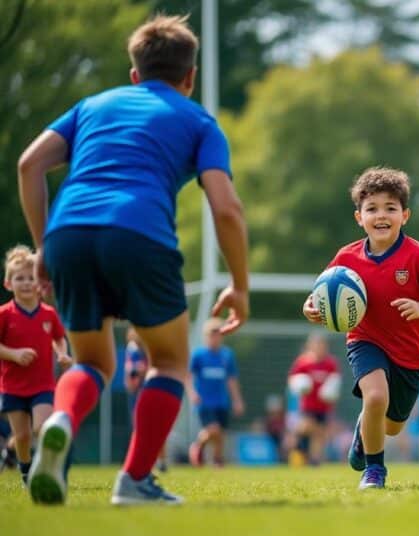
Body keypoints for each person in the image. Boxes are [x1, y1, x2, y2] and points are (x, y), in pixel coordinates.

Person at [18, 15, 249, 505]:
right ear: (189, 77)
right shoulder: (198, 121)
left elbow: (29, 164)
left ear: (135, 74)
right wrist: (240, 284)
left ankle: (60, 420)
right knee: (168, 361)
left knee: (93, 362)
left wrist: (44, 248)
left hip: (69, 233)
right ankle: (135, 480)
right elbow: (226, 208)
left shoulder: (92, 106)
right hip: (140, 233)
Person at [302, 167, 419, 489]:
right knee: (374, 397)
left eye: (390, 208)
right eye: (372, 208)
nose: (381, 215)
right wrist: (311, 308)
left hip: (411, 356)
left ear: (405, 215)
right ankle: (375, 471)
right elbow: (321, 292)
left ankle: (362, 436)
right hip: (365, 341)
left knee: (394, 425)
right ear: (359, 217)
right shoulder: (347, 257)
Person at [0, 246, 72, 485]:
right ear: (8, 284)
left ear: (40, 282)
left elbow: (59, 338)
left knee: (43, 427)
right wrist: (13, 353)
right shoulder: (4, 314)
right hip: (12, 387)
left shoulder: (49, 314)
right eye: (19, 278)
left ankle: (48, 469)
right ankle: (25, 470)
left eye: (31, 278)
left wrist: (63, 354)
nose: (26, 283)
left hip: (43, 385)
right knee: (22, 436)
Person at [187, 318, 244, 467]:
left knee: (220, 435)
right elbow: (188, 376)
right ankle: (198, 445)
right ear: (206, 336)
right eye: (212, 335)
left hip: (221, 401)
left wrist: (237, 400)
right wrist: (192, 393)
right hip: (204, 401)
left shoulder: (227, 355)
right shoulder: (198, 355)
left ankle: (217, 461)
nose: (215, 338)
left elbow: (231, 379)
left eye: (218, 335)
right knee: (213, 429)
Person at [286, 331, 341, 466]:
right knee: (309, 428)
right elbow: (292, 380)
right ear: (310, 346)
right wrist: (299, 385)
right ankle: (297, 446)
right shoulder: (303, 362)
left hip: (324, 406)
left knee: (319, 434)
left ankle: (315, 460)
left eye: (322, 345)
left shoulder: (331, 363)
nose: (319, 347)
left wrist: (331, 393)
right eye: (316, 345)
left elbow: (335, 382)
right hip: (308, 406)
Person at [122, 326, 168, 473]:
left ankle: (161, 461)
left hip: (152, 389)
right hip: (138, 392)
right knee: (140, 428)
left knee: (157, 427)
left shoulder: (151, 348)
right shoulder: (132, 349)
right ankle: (139, 462)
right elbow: (131, 376)